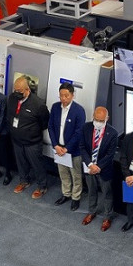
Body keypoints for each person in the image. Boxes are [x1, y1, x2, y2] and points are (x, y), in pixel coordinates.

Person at [7, 76, 50, 199]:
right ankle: (24, 181)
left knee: (37, 164)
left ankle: (42, 186)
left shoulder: (38, 104)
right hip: (17, 140)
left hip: (32, 142)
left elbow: (44, 123)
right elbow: (9, 115)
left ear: (27, 90)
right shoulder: (12, 98)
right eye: (15, 90)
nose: (17, 93)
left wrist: (32, 132)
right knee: (21, 163)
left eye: (19, 91)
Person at [48, 83, 86, 211]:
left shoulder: (79, 110)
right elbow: (50, 127)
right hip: (59, 148)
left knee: (76, 175)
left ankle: (76, 197)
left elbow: (78, 132)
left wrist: (67, 148)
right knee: (63, 173)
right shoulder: (55, 107)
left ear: (72, 95)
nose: (63, 98)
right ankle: (66, 193)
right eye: (61, 95)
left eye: (66, 95)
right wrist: (55, 145)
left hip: (73, 150)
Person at [80, 106, 119, 231]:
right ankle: (91, 211)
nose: (98, 122)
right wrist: (90, 165)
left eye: (101, 120)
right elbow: (82, 147)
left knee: (107, 193)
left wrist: (98, 167)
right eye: (96, 119)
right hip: (89, 167)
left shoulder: (113, 133)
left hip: (104, 169)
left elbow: (110, 154)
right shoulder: (86, 128)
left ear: (107, 118)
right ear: (93, 116)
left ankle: (107, 217)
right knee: (91, 191)